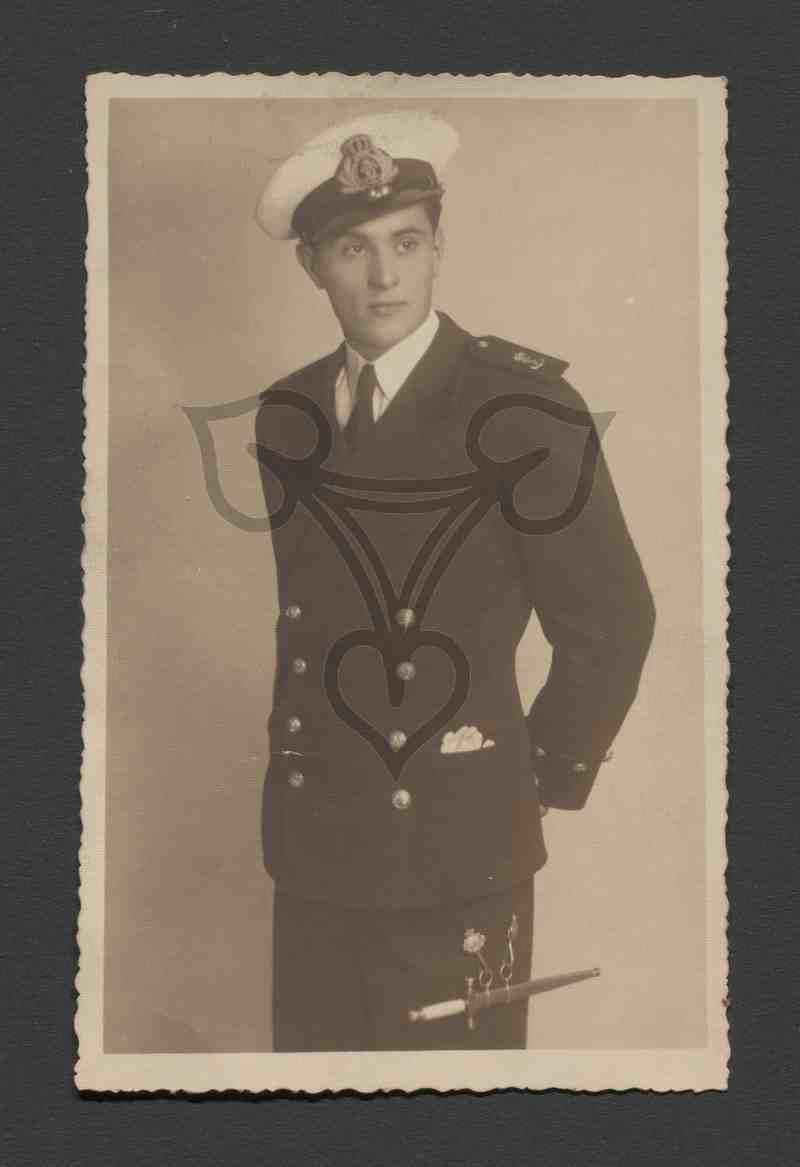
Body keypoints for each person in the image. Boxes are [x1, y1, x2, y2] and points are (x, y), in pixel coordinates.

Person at [253, 111, 655, 1051]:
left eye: (407, 243)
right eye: (352, 248)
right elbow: (315, 628)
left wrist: (526, 780)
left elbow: (612, 620)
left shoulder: (521, 407)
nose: (383, 276)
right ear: (311, 264)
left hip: (455, 849)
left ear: (439, 248)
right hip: (315, 841)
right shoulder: (287, 414)